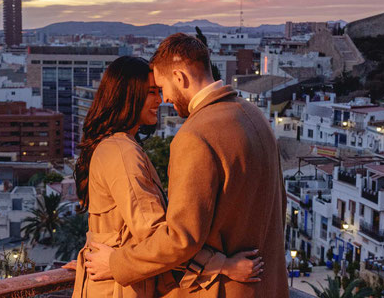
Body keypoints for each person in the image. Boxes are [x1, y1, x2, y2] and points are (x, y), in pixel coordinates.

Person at [85, 34, 289, 297]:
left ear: (180, 77)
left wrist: (115, 263)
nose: (165, 99)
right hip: (267, 285)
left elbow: (180, 238)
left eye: (162, 87)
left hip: (219, 290)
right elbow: (279, 202)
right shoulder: (254, 116)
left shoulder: (196, 135)